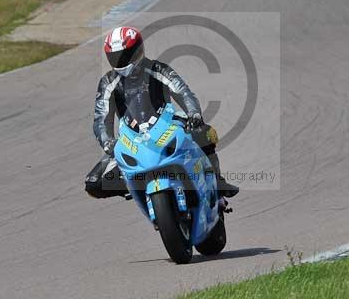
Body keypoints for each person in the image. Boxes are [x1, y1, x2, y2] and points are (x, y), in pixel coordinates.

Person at [85, 26, 239, 199]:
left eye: (126, 55)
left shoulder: (157, 68)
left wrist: (194, 114)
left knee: (204, 133)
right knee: (94, 182)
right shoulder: (108, 82)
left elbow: (183, 92)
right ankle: (135, 186)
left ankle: (217, 181)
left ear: (138, 51)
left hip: (167, 123)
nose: (122, 61)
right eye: (116, 57)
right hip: (131, 138)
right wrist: (107, 142)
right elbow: (100, 119)